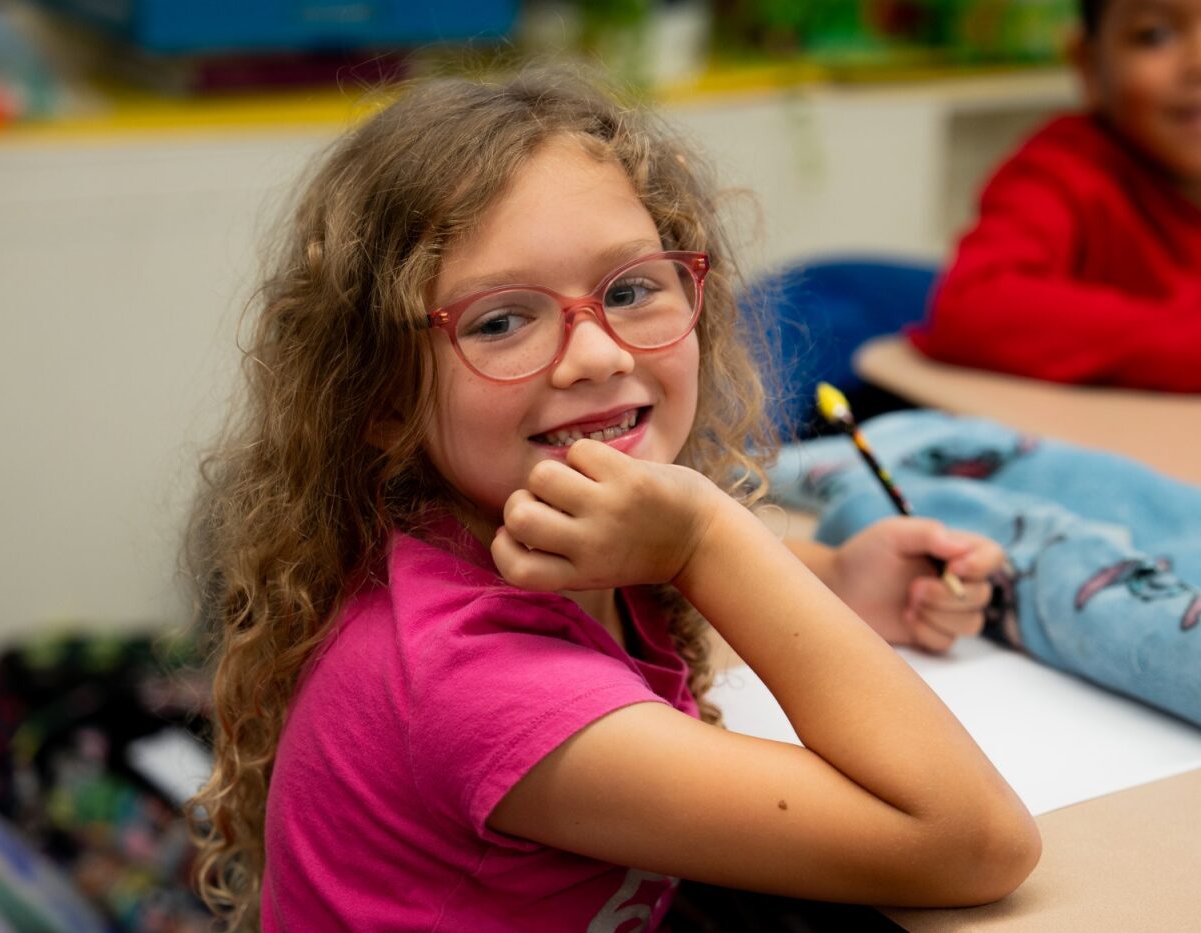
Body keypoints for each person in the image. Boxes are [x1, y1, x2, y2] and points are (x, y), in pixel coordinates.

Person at [186, 70, 1039, 931]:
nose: (597, 354)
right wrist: (707, 538)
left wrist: (840, 577)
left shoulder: (526, 526)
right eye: (500, 320)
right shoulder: (472, 682)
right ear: (381, 398)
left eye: (630, 290)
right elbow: (974, 842)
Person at [910, 0, 1201, 392]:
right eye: (1155, 36)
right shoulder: (1062, 172)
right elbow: (972, 306)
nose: (1198, 63)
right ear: (1088, 64)